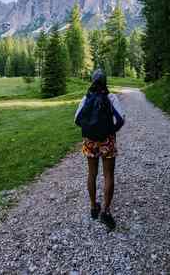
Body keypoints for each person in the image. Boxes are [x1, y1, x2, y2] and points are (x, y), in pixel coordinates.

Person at [74, 69, 125, 229]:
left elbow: (77, 120)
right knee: (108, 175)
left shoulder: (86, 98)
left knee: (92, 174)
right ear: (105, 81)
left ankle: (93, 207)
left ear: (92, 81)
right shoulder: (111, 97)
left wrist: (90, 130)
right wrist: (110, 131)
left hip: (90, 141)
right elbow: (120, 119)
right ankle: (106, 212)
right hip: (107, 141)